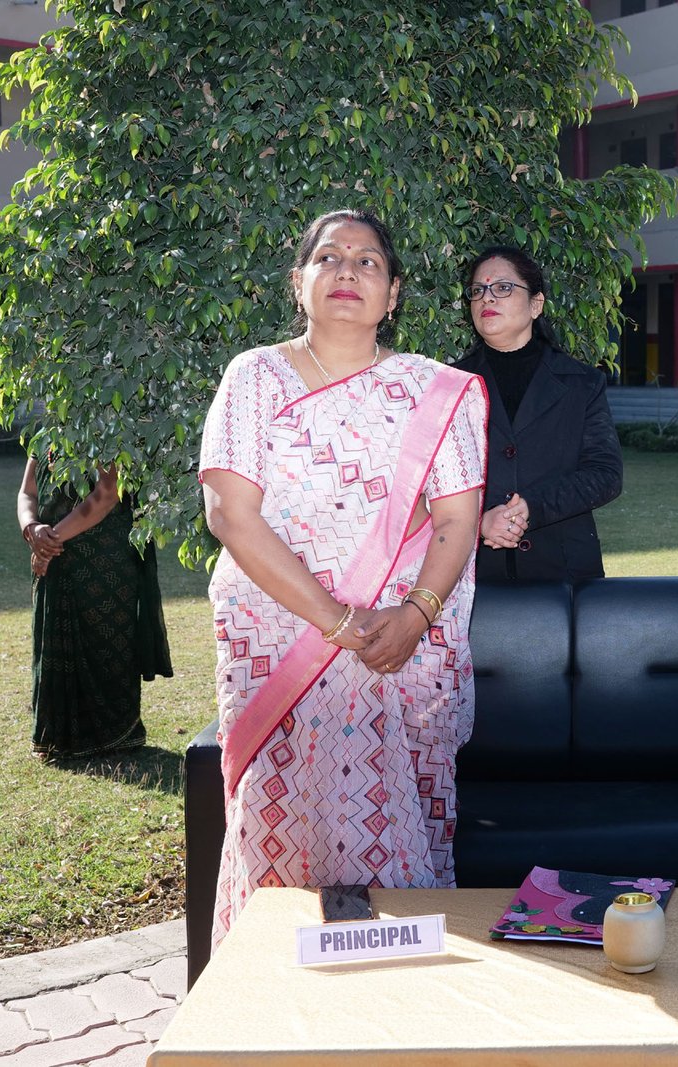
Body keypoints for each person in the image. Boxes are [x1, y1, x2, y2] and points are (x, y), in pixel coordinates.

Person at [199, 209, 487, 946]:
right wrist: (336, 622)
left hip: (395, 647)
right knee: (277, 829)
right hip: (279, 645)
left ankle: (396, 1021)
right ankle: (271, 1011)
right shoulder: (253, 377)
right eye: (329, 257)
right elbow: (232, 515)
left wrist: (417, 614)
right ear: (300, 283)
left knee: (393, 845)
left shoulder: (434, 392)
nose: (349, 270)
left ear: (393, 294)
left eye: (368, 261)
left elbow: (457, 518)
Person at [453, 246, 622, 580]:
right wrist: (480, 522)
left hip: (563, 568)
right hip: (473, 573)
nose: (487, 298)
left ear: (536, 304)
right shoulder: (450, 385)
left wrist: (532, 507)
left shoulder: (582, 383)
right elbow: (426, 485)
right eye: (478, 291)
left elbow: (605, 475)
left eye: (502, 288)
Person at [17, 455, 173, 760]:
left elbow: (107, 493)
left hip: (106, 559)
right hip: (56, 556)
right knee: (55, 643)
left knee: (107, 645)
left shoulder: (107, 422)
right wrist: (32, 528)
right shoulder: (45, 432)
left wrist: (49, 541)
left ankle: (114, 735)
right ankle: (57, 738)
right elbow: (28, 492)